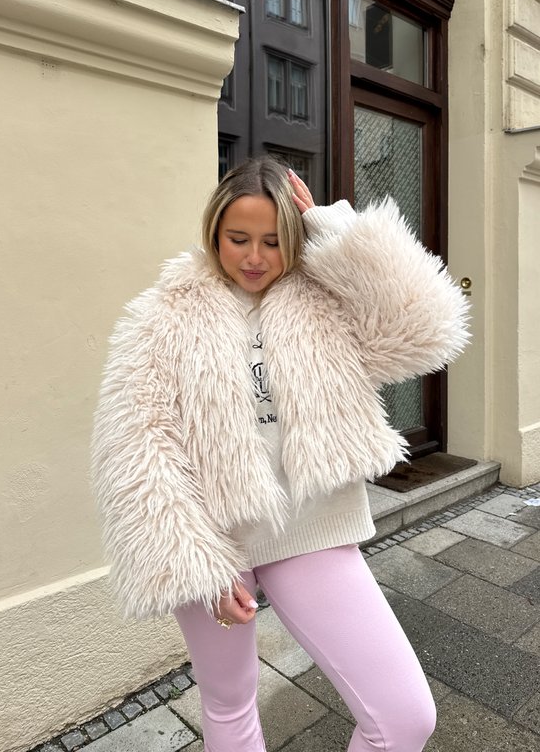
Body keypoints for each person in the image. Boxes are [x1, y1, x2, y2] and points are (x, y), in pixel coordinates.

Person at [91, 156, 469, 752]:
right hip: (213, 543)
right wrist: (200, 566)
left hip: (312, 528)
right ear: (214, 230)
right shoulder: (161, 317)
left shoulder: (324, 300)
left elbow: (426, 330)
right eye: (238, 238)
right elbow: (139, 449)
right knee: (229, 703)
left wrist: (335, 229)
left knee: (403, 717)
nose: (254, 257)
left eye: (272, 241)